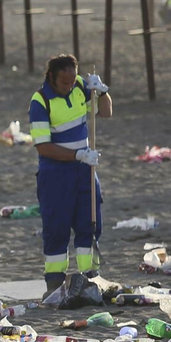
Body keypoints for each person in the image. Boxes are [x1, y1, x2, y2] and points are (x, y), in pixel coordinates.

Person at [28, 53, 112, 295]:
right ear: (52, 77)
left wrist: (102, 91)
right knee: (57, 227)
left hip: (85, 171)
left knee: (90, 222)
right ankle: (55, 284)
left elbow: (105, 113)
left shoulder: (81, 88)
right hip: (55, 174)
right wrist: (77, 155)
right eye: (65, 81)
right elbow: (43, 146)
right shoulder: (40, 101)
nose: (69, 85)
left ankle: (90, 279)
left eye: (73, 80)